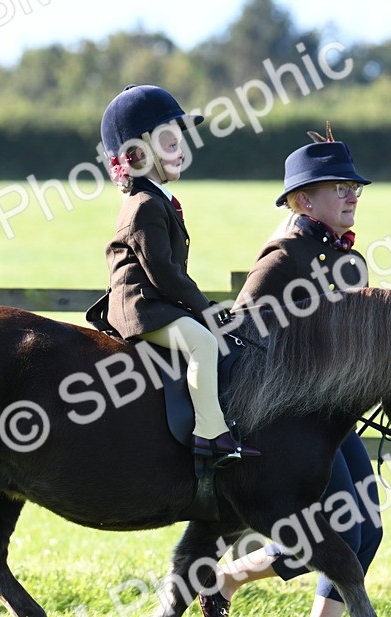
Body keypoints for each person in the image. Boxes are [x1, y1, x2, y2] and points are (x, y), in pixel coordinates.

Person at [201, 126, 381, 617]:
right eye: (338, 187)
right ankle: (229, 582)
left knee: (367, 529)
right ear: (303, 200)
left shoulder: (349, 260)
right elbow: (239, 335)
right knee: (340, 530)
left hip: (331, 417)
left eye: (355, 189)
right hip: (286, 421)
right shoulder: (282, 257)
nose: (351, 195)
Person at [87, 84, 257, 467]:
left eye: (179, 139)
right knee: (203, 343)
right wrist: (204, 308)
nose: (180, 149)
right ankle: (210, 433)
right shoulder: (145, 205)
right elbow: (164, 272)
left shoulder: (155, 199)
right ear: (137, 153)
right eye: (168, 141)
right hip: (144, 309)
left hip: (157, 305)